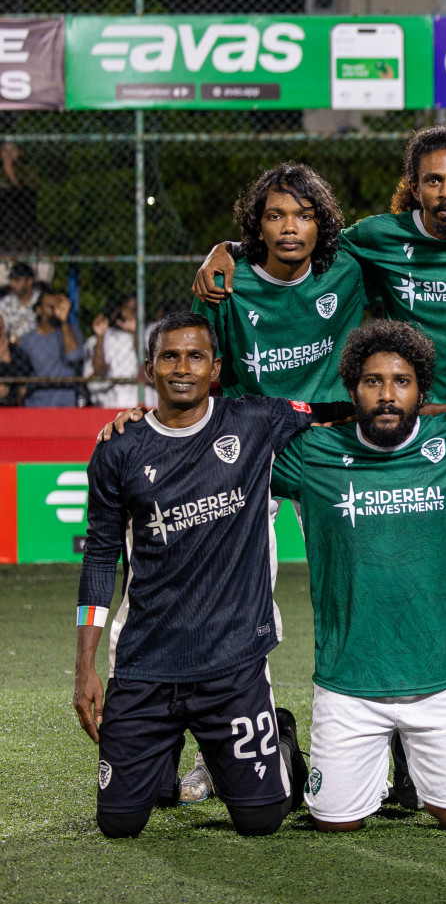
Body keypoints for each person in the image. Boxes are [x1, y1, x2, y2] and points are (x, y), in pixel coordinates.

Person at [194, 127, 446, 795]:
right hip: (404, 448)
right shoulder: (375, 238)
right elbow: (297, 240)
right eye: (432, 180)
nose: (445, 191)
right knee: (391, 589)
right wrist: (229, 248)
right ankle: (269, 741)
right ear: (413, 185)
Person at [71, 311, 337, 838]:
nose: (183, 367)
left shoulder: (256, 419)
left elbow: (342, 411)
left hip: (232, 661)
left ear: (215, 366)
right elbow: (101, 558)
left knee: (261, 821)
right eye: (170, 356)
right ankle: (163, 756)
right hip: (147, 660)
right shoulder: (117, 449)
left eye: (196, 356)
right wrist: (84, 667)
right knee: (120, 823)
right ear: (149, 368)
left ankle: (277, 737)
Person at [269, 321, 446, 833]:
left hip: (443, 682)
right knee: (334, 824)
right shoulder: (312, 454)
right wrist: (154, 419)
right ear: (350, 389)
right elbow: (221, 447)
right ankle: (288, 749)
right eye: (372, 382)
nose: (387, 394)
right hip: (349, 683)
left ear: (422, 391)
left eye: (401, 382)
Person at [192, 164, 365, 407]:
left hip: (330, 426)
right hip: (255, 427)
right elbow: (192, 368)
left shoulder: (348, 270)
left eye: (304, 216)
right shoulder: (221, 284)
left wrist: (225, 247)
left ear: (319, 225)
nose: (290, 228)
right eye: (275, 216)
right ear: (259, 228)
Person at [18, 290, 86, 407]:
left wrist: (64, 320)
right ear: (39, 310)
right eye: (50, 306)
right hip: (37, 405)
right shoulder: (27, 341)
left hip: (67, 404)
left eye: (58, 306)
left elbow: (74, 356)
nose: (55, 310)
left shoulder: (71, 332)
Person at [84, 297, 146, 409]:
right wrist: (100, 337)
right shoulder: (108, 336)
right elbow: (99, 368)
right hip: (114, 401)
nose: (128, 313)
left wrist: (135, 333)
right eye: (127, 309)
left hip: (141, 400)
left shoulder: (148, 333)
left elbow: (148, 363)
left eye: (134, 309)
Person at [0, 260, 40, 341]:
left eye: (17, 280)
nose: (13, 284)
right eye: (11, 280)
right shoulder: (6, 302)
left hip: (39, 344)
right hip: (14, 346)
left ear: (29, 281)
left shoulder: (41, 299)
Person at [0, 311, 32, 404]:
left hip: (10, 407)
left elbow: (24, 381)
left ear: (4, 331)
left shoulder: (15, 352)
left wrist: (6, 363)